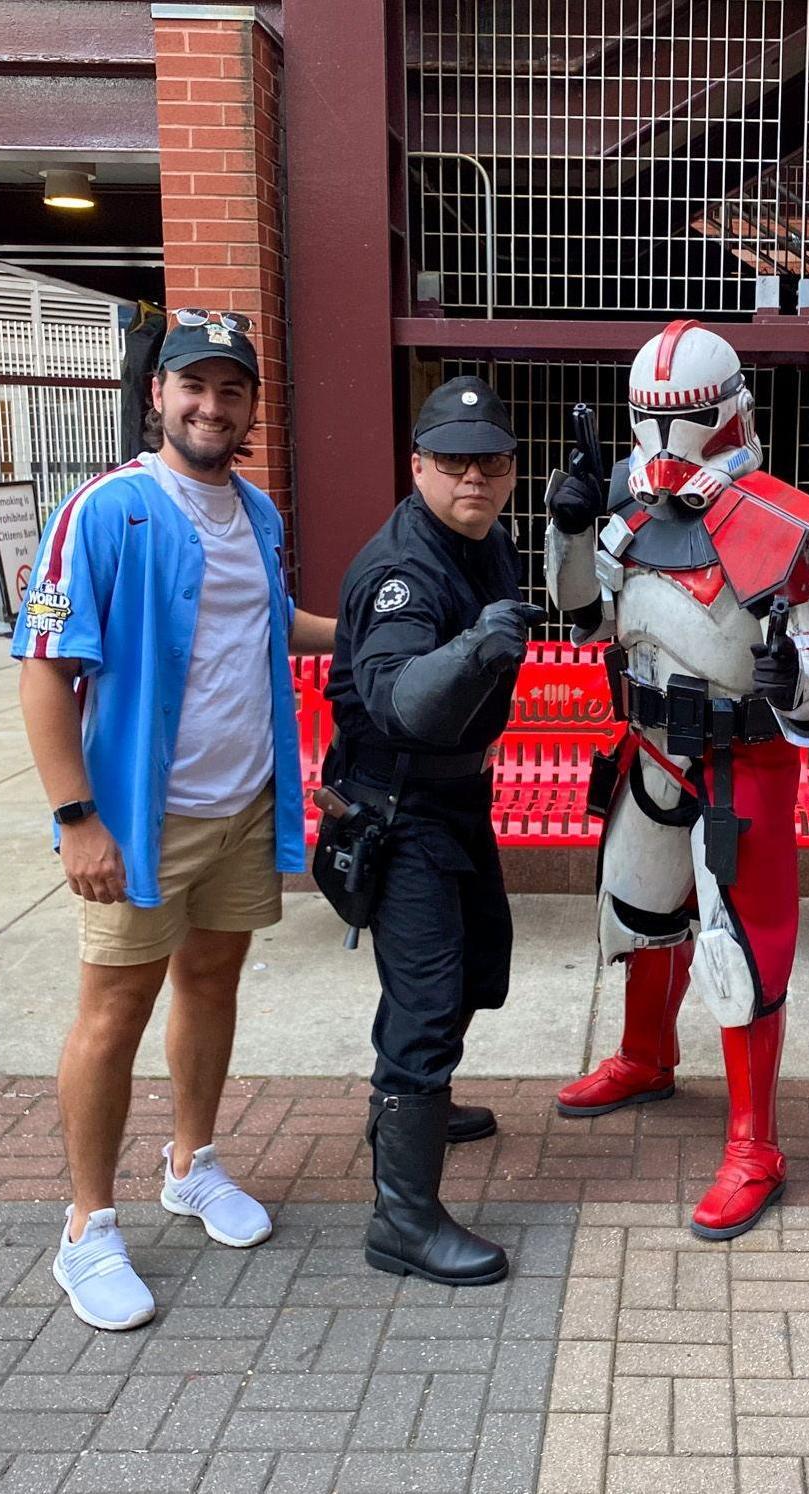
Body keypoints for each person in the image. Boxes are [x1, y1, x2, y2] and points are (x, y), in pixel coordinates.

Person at [13, 310, 336, 1331]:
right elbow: (43, 666)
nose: (211, 404)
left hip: (242, 804)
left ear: (249, 406)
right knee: (113, 1013)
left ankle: (192, 1165)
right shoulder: (107, 510)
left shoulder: (256, 512)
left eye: (231, 389)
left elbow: (268, 621)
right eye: (192, 385)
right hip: (139, 819)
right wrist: (76, 819)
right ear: (157, 393)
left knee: (211, 980)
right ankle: (88, 1227)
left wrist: (378, 625)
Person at [545, 319, 809, 1240]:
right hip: (650, 745)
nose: (666, 444)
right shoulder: (624, 509)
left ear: (727, 413)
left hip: (738, 758)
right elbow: (587, 619)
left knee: (742, 950)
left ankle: (756, 1143)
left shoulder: (785, 522)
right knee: (640, 911)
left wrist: (800, 681)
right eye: (652, 421)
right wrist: (569, 529)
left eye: (684, 420)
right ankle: (645, 1053)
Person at [324, 376, 542, 1287]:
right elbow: (404, 702)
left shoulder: (484, 542)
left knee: (476, 960)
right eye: (454, 462)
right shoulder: (402, 573)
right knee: (425, 996)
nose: (475, 478)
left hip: (453, 798)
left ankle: (409, 1099)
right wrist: (479, 647)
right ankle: (402, 1222)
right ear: (418, 467)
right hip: (396, 807)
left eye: (491, 461)